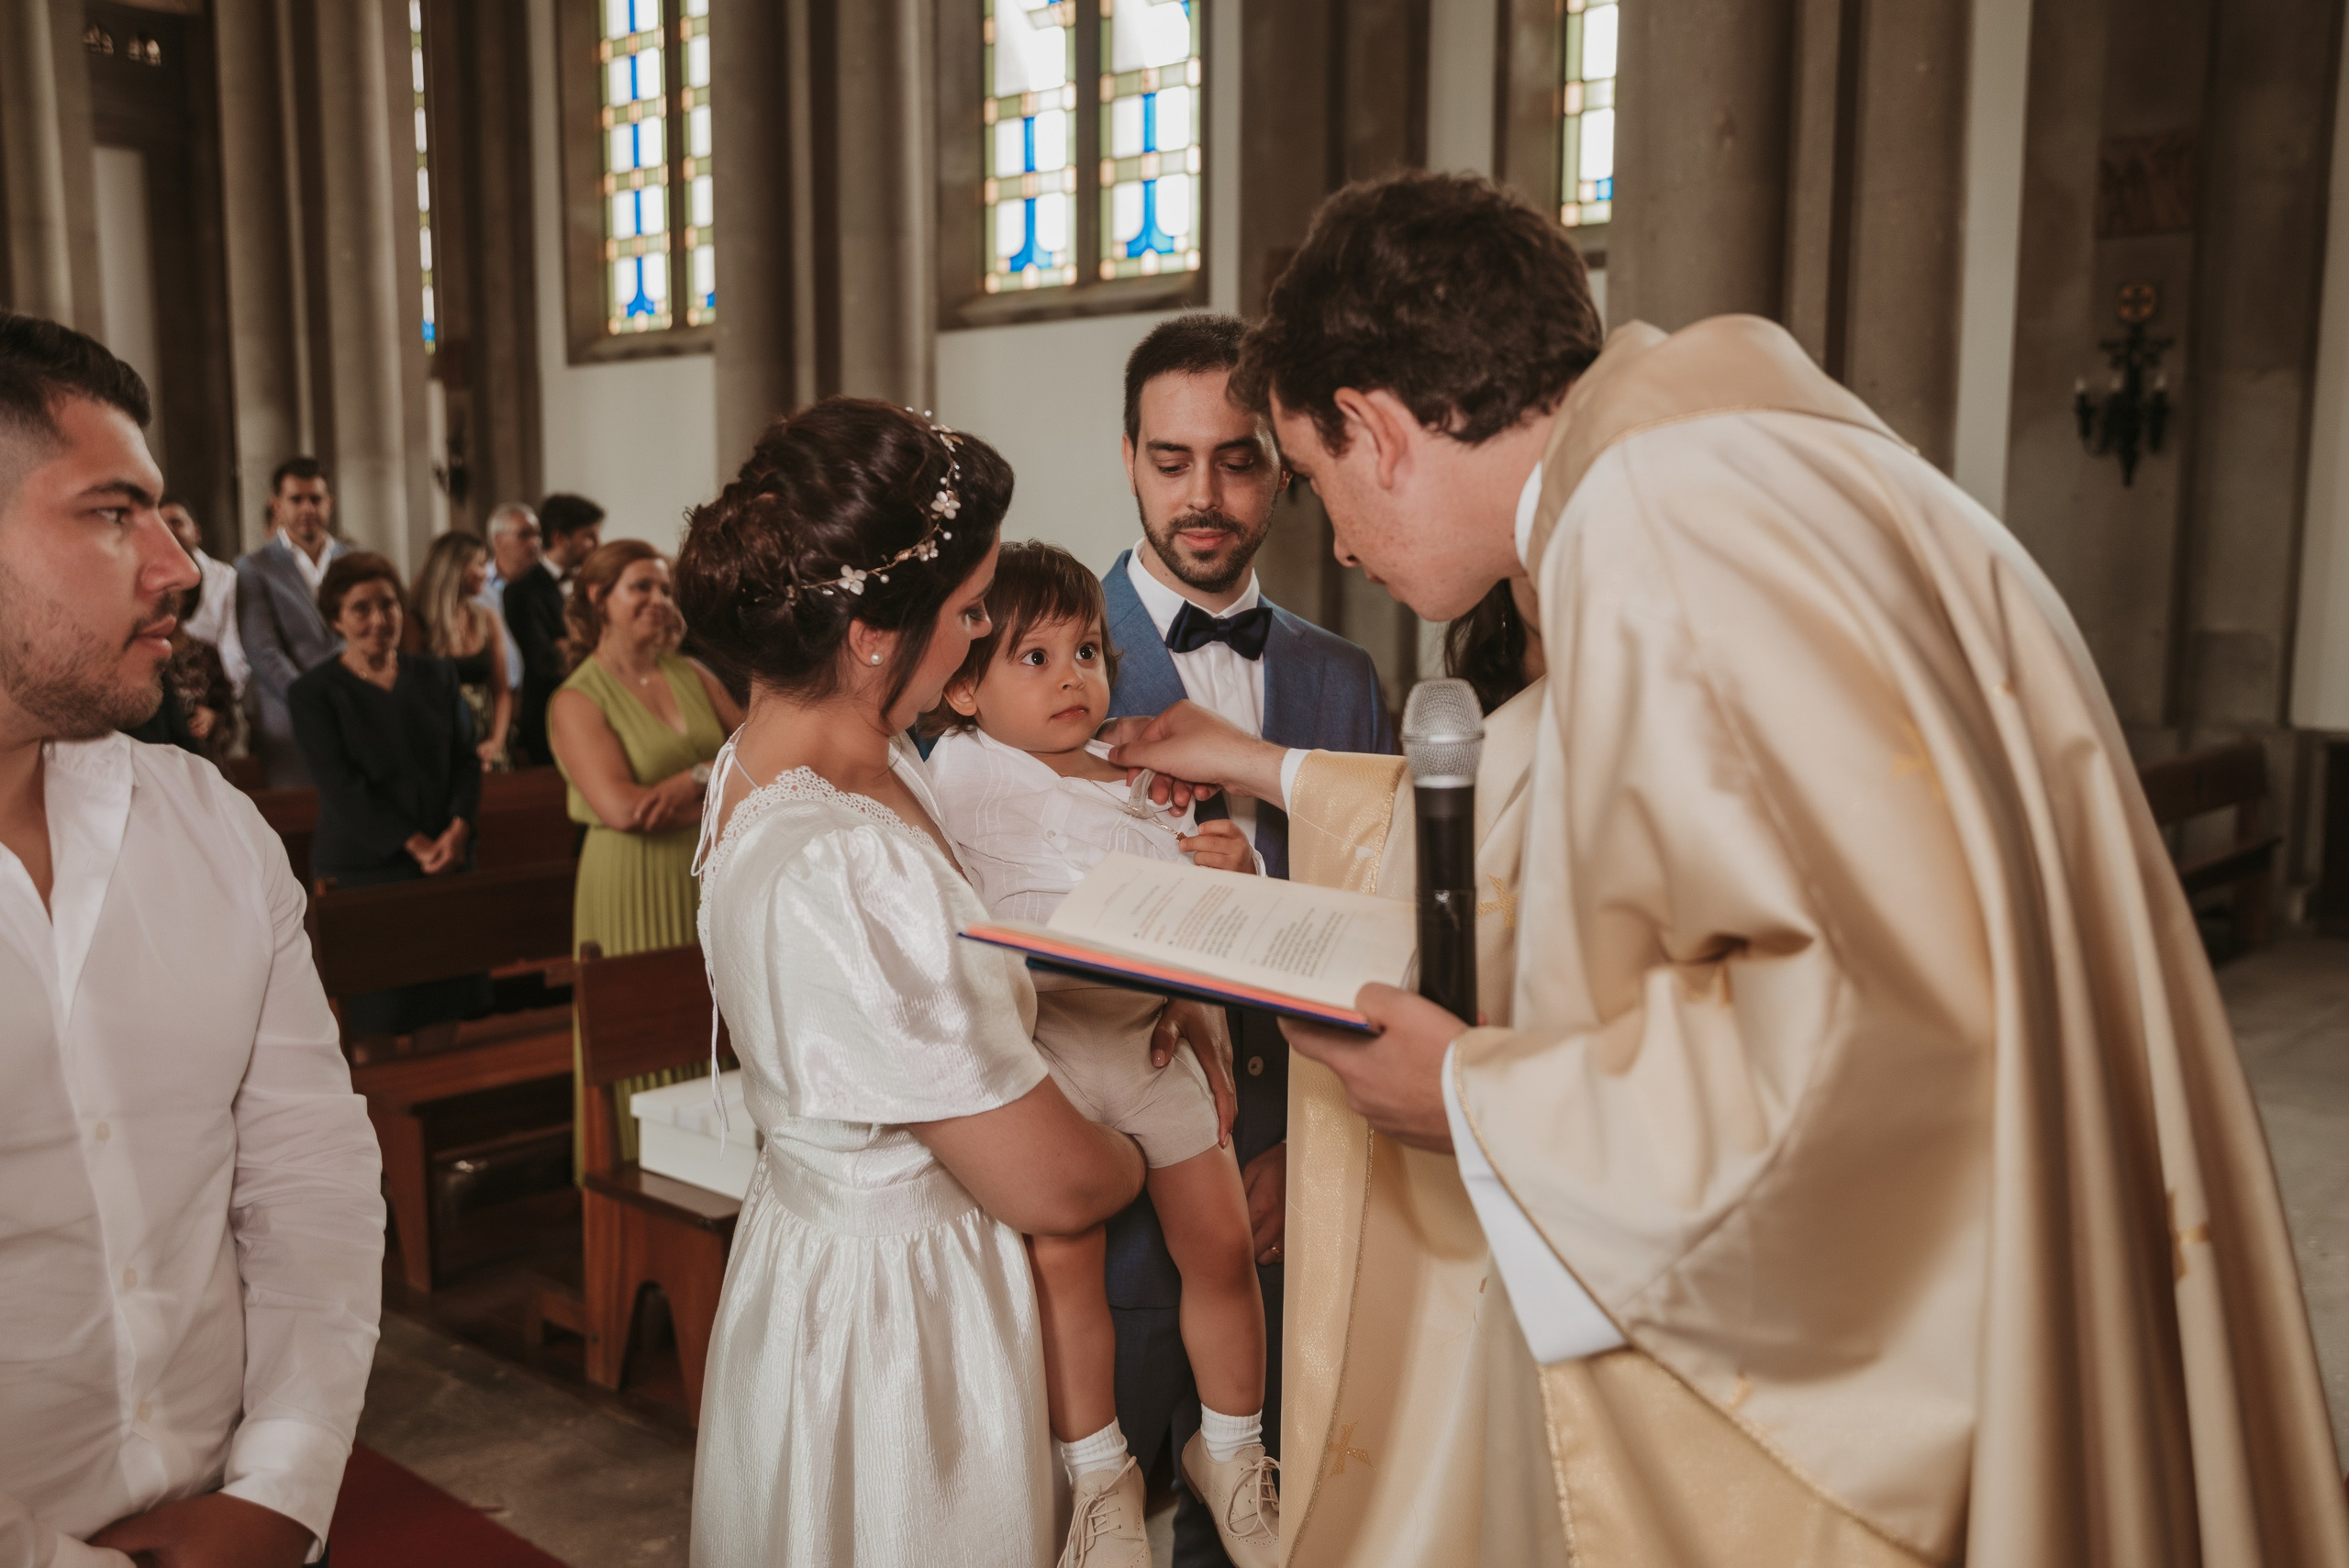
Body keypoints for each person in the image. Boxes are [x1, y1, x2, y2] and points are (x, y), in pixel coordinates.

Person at [1112, 172, 2349, 1568]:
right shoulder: (1738, 460)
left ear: (1383, 432)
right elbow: (1605, 795)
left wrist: (1474, 1098)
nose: (1336, 538)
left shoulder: (1663, 523)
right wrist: (1276, 770)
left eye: (1323, 480)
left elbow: (1866, 1021)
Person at [674, 397, 1159, 1566]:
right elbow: (1047, 1180)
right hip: (902, 1313)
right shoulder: (842, 852)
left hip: (816, 1260)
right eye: (971, 608)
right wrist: (1137, 1145)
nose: (982, 631)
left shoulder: (793, 753)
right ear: (875, 633)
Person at [0, 314, 382, 1568]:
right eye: (115, 514)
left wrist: (282, 1485)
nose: (180, 568)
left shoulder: (206, 828)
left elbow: (308, 1181)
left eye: (167, 517)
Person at [1097, 312, 1393, 1566]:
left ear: (1282, 469)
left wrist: (1302, 1150)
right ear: (1127, 460)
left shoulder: (1343, 677)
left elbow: (1380, 938)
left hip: (1291, 1173)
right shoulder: (1040, 662)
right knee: (1082, 1512)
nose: (1202, 495)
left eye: (1234, 458)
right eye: (1172, 461)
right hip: (1104, 1189)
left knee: (1262, 1527)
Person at [924, 542, 1275, 1568]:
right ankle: (1101, 1474)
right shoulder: (958, 770)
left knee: (1217, 1243)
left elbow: (1203, 911)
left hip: (1148, 1033)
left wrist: (1232, 865)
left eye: (1085, 650)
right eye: (1032, 657)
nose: (1072, 675)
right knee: (1064, 1263)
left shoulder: (1142, 776)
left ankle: (1234, 1452)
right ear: (962, 686)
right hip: (1044, 1046)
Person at [546, 539, 740, 1176]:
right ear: (599, 598)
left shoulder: (693, 673)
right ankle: (632, 1172)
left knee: (711, 1020)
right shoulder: (577, 697)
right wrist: (708, 784)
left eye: (663, 588)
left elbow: (754, 764)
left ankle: (722, 1165)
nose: (658, 600)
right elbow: (624, 810)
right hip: (630, 880)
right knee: (639, 1030)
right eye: (640, 587)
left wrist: (693, 777)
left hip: (707, 870)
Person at [289, 551, 491, 1038]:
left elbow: (466, 758)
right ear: (336, 619)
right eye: (362, 608)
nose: (379, 619)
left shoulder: (436, 675)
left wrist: (458, 830)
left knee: (445, 1003)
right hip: (367, 868)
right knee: (377, 1017)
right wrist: (418, 845)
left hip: (447, 858)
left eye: (388, 604)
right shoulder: (314, 693)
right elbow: (341, 785)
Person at [236, 457, 347, 785]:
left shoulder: (354, 558)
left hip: (353, 710)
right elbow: (264, 653)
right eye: (296, 499)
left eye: (316, 499)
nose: (307, 508)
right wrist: (314, 702)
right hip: (290, 720)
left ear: (331, 503)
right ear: (277, 505)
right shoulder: (254, 568)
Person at [506, 492, 604, 765]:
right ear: (561, 538)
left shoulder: (598, 586)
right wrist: (591, 650)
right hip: (547, 715)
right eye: (589, 536)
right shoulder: (521, 591)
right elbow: (544, 660)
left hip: (600, 709)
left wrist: (568, 643)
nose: (598, 544)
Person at [409, 529, 516, 771]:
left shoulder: (487, 618)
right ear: (454, 567)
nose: (486, 573)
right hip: (436, 739)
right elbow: (411, 693)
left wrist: (496, 742)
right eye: (479, 564)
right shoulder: (415, 622)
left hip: (485, 740)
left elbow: (501, 691)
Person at [162, 495, 248, 698]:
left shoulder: (226, 578)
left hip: (214, 689)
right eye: (162, 525)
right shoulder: (146, 579)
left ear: (197, 532)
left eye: (176, 523)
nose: (168, 531)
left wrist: (216, 702)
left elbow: (233, 647)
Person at [480, 501, 537, 693]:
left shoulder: (544, 588)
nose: (534, 543)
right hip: (494, 691)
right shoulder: (478, 587)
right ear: (499, 540)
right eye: (524, 535)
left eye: (537, 534)